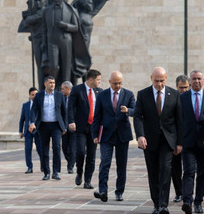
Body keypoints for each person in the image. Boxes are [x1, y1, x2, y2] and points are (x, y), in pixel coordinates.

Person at [134, 67, 183, 214]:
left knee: (165, 170)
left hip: (168, 140)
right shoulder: (143, 94)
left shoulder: (174, 94)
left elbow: (179, 119)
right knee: (153, 172)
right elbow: (137, 116)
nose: (159, 84)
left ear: (166, 79)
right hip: (150, 140)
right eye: (156, 81)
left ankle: (163, 205)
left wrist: (180, 142)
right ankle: (156, 203)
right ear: (151, 78)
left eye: (162, 81)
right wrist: (140, 135)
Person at [91, 71, 135, 202]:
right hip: (106, 135)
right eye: (115, 83)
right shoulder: (102, 95)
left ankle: (119, 191)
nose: (118, 86)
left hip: (122, 134)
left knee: (122, 164)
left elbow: (136, 110)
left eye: (120, 83)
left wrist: (128, 110)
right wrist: (94, 135)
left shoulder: (129, 94)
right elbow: (97, 116)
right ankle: (103, 190)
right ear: (109, 82)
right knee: (105, 162)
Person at [180, 70, 204, 214]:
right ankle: (187, 202)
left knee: (202, 174)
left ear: (203, 80)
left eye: (199, 79)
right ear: (190, 81)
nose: (197, 81)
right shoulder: (182, 97)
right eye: (194, 79)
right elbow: (179, 119)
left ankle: (198, 202)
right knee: (189, 171)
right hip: (188, 141)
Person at [67, 69, 102, 189]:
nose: (99, 82)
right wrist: (71, 121)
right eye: (98, 80)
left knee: (91, 155)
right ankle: (79, 172)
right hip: (80, 127)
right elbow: (70, 106)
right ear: (91, 80)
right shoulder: (77, 89)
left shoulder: (99, 92)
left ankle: (88, 180)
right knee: (81, 152)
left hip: (94, 128)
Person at [28, 76, 67, 181]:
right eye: (50, 83)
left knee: (56, 147)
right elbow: (33, 110)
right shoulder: (39, 96)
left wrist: (65, 126)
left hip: (56, 126)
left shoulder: (59, 95)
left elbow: (64, 112)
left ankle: (55, 172)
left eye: (53, 83)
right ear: (45, 83)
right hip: (43, 126)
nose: (52, 84)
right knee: (44, 150)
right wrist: (32, 123)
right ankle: (46, 172)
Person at [41, 0, 80, 86]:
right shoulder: (47, 10)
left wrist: (66, 26)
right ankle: (52, 86)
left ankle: (66, 87)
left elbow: (76, 27)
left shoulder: (70, 10)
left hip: (66, 40)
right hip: (52, 41)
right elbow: (43, 28)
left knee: (66, 66)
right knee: (54, 66)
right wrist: (43, 42)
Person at [171, 74, 189, 203]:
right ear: (177, 87)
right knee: (175, 168)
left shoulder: (191, 98)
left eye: (186, 87)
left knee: (189, 168)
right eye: (181, 87)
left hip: (189, 138)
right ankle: (179, 192)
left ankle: (187, 192)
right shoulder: (172, 98)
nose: (184, 90)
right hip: (176, 139)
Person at [19, 87, 43, 174]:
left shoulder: (41, 105)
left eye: (36, 94)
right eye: (32, 95)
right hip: (27, 131)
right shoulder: (25, 105)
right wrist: (20, 131)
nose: (34, 96)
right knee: (28, 149)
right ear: (29, 95)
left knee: (40, 149)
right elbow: (22, 119)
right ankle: (29, 167)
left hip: (38, 131)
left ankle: (43, 165)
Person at [61, 81, 76, 174]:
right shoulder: (62, 98)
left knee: (72, 148)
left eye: (63, 88)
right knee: (64, 147)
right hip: (64, 128)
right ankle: (71, 160)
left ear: (68, 89)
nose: (61, 90)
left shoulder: (76, 98)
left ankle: (70, 166)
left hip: (74, 128)